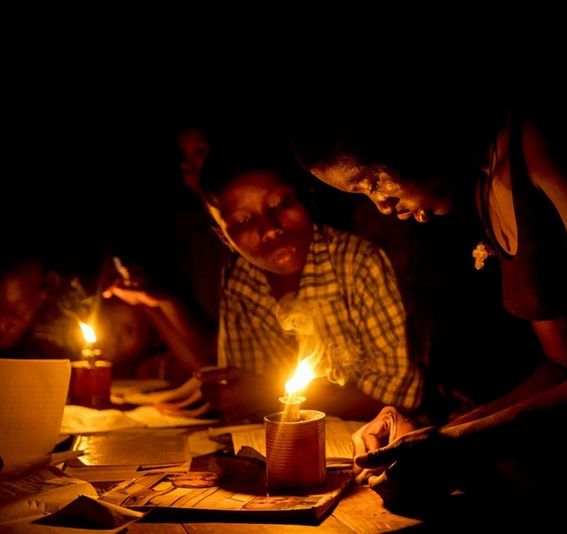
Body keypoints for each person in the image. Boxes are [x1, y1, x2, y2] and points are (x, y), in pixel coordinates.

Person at [289, 102, 567, 526]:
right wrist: (434, 436)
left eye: (372, 180)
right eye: (362, 193)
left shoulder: (535, 144)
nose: (381, 204)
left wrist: (464, 441)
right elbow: (566, 361)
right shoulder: (482, 182)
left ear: (403, 136)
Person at [128, 137, 424, 422]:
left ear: (304, 199)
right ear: (225, 238)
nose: (270, 229)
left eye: (281, 204)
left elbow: (402, 395)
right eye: (243, 222)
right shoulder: (240, 280)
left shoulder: (357, 263)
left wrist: (271, 396)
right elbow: (242, 395)